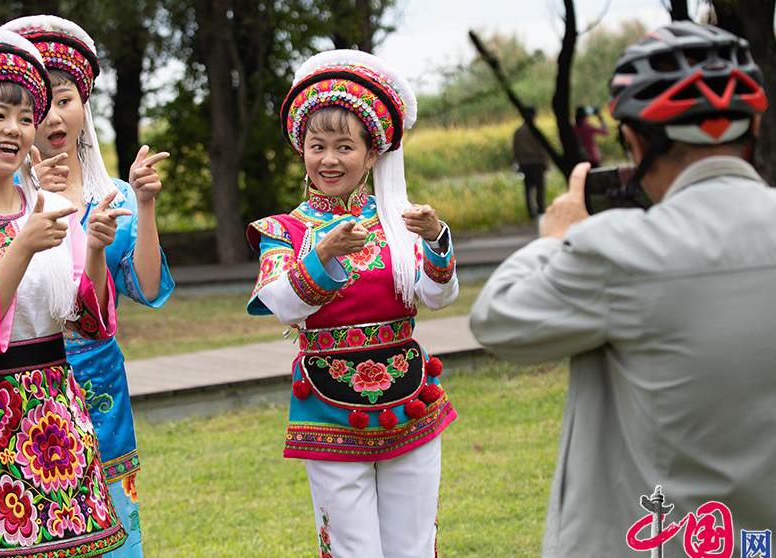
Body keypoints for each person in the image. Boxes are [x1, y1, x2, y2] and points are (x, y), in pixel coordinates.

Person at [470, 22, 776, 557]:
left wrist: (559, 237)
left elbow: (498, 319)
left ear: (635, 139)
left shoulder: (619, 250)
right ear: (751, 126)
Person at [0, 28, 131, 557]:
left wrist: (97, 250)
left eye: (25, 117)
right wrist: (22, 245)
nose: (15, 128)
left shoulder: (52, 205)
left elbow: (88, 320)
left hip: (60, 410)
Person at [247, 49, 460, 557]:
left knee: (415, 544)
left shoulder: (398, 219)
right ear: (302, 150)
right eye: (317, 145)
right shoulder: (286, 230)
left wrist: (436, 240)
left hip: (410, 396)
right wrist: (320, 257)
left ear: (371, 155)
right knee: (351, 548)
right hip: (327, 402)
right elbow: (279, 303)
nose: (328, 160)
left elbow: (437, 296)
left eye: (344, 146)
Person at [0, 16, 174, 557]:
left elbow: (147, 288)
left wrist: (144, 207)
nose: (54, 117)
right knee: (38, 524)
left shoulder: (114, 195)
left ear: (84, 105)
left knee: (116, 529)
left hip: (100, 380)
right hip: (28, 379)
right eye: (38, 105)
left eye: (66, 99)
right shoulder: (2, 203)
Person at [512, 107, 548, 218]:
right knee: (540, 188)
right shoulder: (535, 131)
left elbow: (515, 149)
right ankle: (541, 210)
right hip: (537, 162)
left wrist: (518, 162)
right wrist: (545, 161)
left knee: (528, 189)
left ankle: (530, 212)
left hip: (524, 163)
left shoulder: (518, 132)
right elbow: (543, 148)